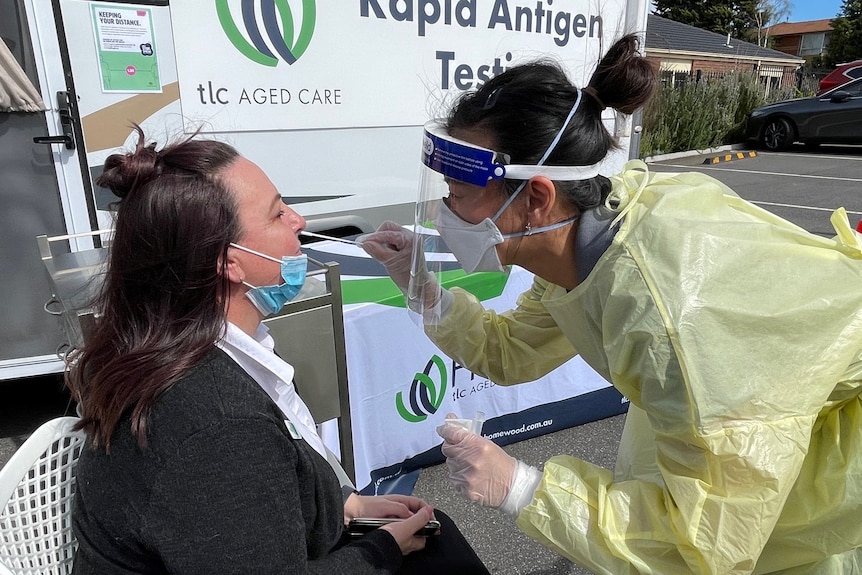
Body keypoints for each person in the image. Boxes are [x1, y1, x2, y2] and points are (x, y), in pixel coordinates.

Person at [358, 34, 862, 574]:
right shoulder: (590, 237)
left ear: (536, 198)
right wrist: (422, 289)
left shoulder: (669, 319)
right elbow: (512, 353)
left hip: (815, 427)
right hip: (735, 394)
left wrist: (522, 488)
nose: (444, 212)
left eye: (457, 194)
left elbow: (706, 543)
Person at [65, 127, 490, 574]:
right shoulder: (218, 423)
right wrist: (379, 548)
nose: (299, 221)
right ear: (228, 261)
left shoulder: (178, 348)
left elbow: (261, 499)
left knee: (433, 532)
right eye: (276, 214)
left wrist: (348, 508)